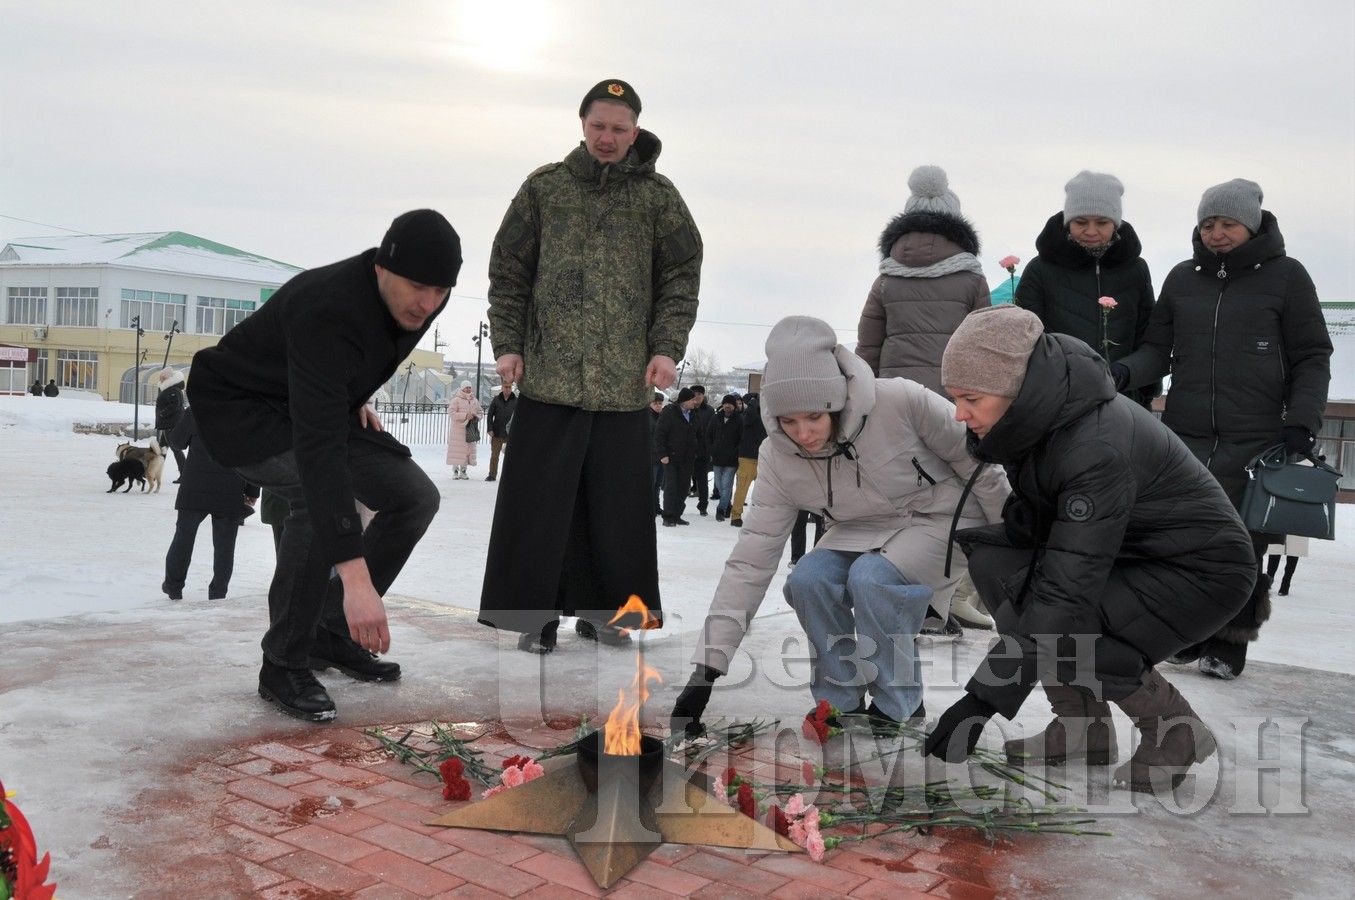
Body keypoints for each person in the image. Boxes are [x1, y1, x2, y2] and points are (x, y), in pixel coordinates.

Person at [921, 306, 1257, 794]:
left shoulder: (1093, 446)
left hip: (1201, 574)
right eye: (955, 398)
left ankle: (1174, 732)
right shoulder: (1047, 420)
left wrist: (982, 700)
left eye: (971, 398)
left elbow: (1066, 590)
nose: (958, 413)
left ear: (1018, 390)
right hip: (1138, 556)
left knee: (1066, 621)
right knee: (998, 565)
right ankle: (1082, 729)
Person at [671, 316, 1009, 735]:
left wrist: (1010, 535)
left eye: (813, 416)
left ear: (836, 398)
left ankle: (899, 705)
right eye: (789, 421)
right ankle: (841, 700)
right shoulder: (778, 456)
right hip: (860, 528)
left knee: (872, 579)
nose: (804, 433)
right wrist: (707, 670)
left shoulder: (901, 401)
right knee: (808, 579)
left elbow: (980, 464)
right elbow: (751, 559)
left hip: (940, 517)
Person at [187, 209, 459, 721]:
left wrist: (347, 392)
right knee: (316, 495)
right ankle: (284, 660)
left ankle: (331, 631)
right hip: (239, 412)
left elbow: (350, 361)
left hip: (302, 404)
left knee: (415, 496)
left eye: (442, 291)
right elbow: (318, 453)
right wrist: (358, 581)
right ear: (382, 267)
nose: (428, 303)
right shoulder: (327, 308)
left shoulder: (416, 304)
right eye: (419, 286)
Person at [480, 78, 702, 654]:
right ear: (582, 125)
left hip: (623, 386)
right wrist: (508, 343)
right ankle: (535, 619)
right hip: (549, 379)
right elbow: (509, 272)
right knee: (540, 505)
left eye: (619, 128)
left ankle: (614, 618)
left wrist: (666, 346)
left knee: (619, 512)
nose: (608, 138)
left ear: (636, 132)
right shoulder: (544, 189)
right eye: (599, 126)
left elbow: (681, 278)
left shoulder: (659, 199)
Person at [1114, 179, 1332, 679]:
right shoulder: (1181, 279)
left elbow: (1312, 356)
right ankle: (1187, 634)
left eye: (1227, 224)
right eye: (1208, 223)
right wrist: (1123, 371)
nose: (1216, 233)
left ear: (1251, 225)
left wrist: (1302, 422)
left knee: (1240, 546)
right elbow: (1156, 352)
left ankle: (1229, 645)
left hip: (1255, 440)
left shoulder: (1287, 277)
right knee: (1178, 540)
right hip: (1185, 437)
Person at [1015, 170, 1158, 407]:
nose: (1091, 231)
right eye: (1081, 222)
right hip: (1058, 397)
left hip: (1123, 397)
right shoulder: (1040, 269)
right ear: (1067, 221)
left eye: (1102, 222)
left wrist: (1137, 382)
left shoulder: (1136, 270)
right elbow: (1025, 337)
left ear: (1115, 224)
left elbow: (1147, 334)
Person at [856, 165, 991, 394]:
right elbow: (984, 345)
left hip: (894, 395)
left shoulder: (886, 279)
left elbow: (868, 346)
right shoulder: (972, 278)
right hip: (955, 397)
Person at [162, 408, 259, 601]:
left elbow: (176, 442)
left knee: (183, 537)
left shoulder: (196, 411)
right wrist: (252, 491)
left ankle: (174, 586)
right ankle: (218, 592)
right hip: (230, 488)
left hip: (194, 488)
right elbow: (254, 454)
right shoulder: (245, 413)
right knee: (225, 545)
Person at [655, 387, 702, 526]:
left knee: (683, 488)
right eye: (693, 399)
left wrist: (698, 450)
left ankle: (677, 514)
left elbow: (699, 435)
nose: (695, 401)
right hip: (670, 457)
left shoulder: (694, 414)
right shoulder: (669, 412)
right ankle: (668, 517)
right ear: (685, 401)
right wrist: (662, 454)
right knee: (671, 487)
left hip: (687, 458)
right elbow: (659, 434)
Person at [729, 391, 766, 528]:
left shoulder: (765, 415)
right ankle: (736, 515)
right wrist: (753, 402)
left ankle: (759, 516)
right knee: (742, 488)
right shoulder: (746, 416)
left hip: (763, 458)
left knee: (763, 491)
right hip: (747, 457)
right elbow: (749, 419)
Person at [707, 393, 743, 522]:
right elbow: (709, 435)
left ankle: (720, 509)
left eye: (730, 404)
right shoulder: (716, 418)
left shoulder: (740, 419)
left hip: (731, 460)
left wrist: (736, 452)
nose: (727, 405)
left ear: (734, 406)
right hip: (717, 458)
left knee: (726, 485)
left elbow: (742, 440)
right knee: (718, 484)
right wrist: (712, 450)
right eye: (725, 403)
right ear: (723, 404)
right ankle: (727, 505)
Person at [155, 367, 189, 482]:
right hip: (167, 424)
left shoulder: (173, 390)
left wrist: (163, 414)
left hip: (171, 424)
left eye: (163, 377)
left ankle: (184, 474)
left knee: (175, 449)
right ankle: (155, 472)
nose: (161, 379)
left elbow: (175, 406)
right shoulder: (170, 388)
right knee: (161, 449)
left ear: (168, 378)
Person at [446, 381, 483, 480]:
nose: (468, 389)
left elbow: (480, 412)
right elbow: (451, 413)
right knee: (457, 451)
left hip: (469, 430)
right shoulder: (456, 400)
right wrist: (465, 415)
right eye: (466, 387)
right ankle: (455, 470)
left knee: (467, 451)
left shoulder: (474, 400)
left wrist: (476, 416)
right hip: (458, 430)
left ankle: (463, 470)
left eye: (469, 387)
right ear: (462, 388)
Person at [688, 385, 715, 514]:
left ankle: (703, 506)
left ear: (703, 396)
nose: (697, 396)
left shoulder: (709, 411)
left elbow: (713, 431)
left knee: (702, 481)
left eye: (700, 394)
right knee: (683, 479)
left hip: (703, 451)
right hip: (686, 450)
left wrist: (709, 450)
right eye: (695, 393)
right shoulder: (687, 408)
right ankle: (677, 505)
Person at [485, 381, 517, 482]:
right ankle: (492, 475)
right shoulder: (496, 400)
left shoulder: (516, 401)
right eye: (505, 387)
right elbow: (490, 415)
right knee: (494, 456)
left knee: (511, 457)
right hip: (497, 432)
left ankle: (510, 476)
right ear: (502, 388)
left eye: (509, 387)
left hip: (510, 433)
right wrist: (490, 429)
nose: (507, 389)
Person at [648, 392, 666, 516]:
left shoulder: (662, 416)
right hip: (651, 455)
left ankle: (656, 506)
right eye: (656, 403)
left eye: (660, 403)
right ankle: (650, 507)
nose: (658, 406)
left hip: (660, 456)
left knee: (658, 484)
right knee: (652, 483)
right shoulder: (647, 417)